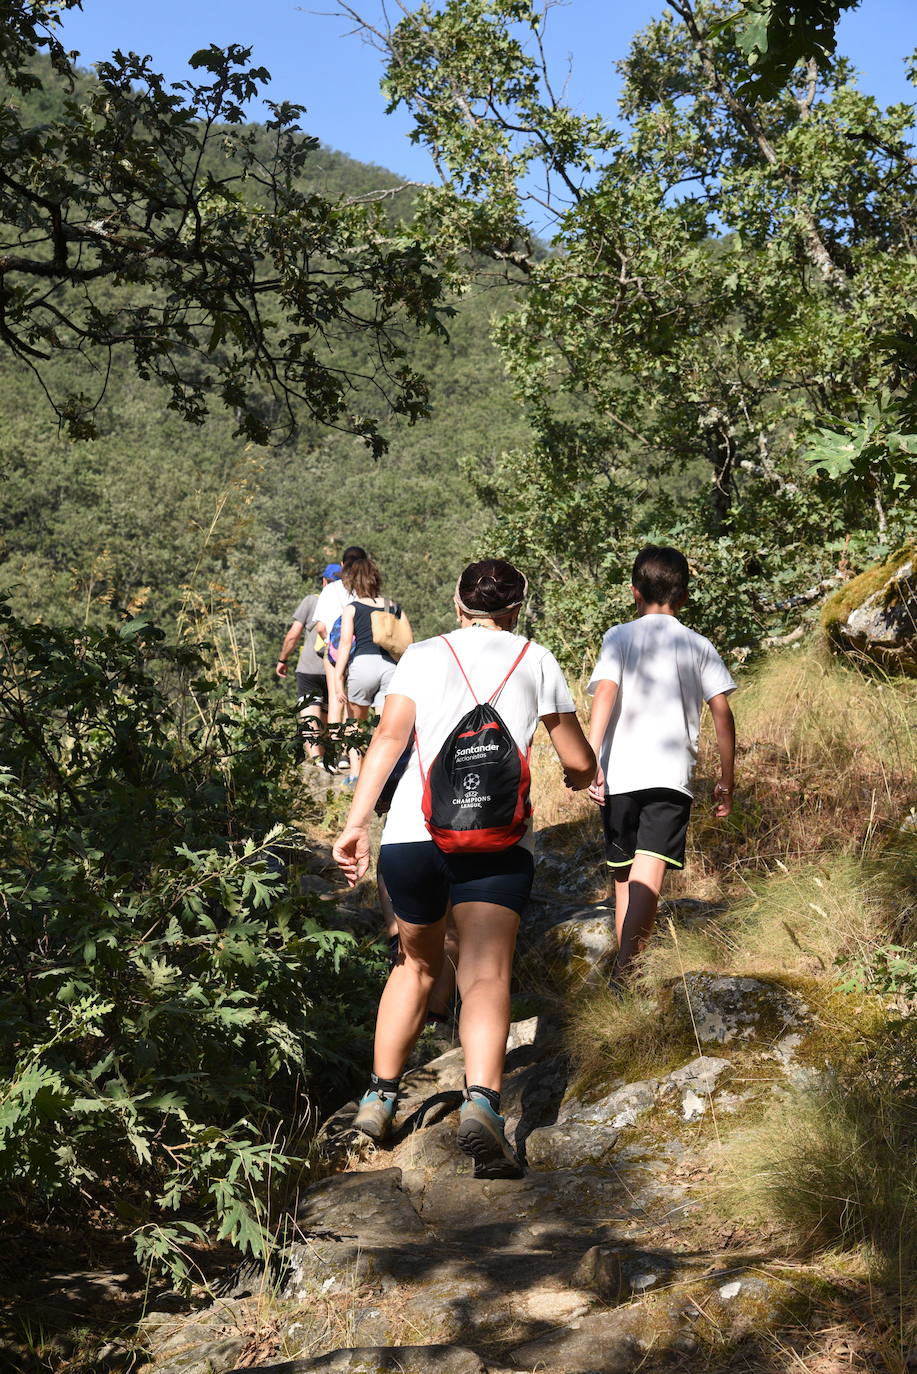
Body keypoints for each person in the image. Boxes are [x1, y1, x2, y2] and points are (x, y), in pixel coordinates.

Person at [333, 559, 595, 1179]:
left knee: (416, 963)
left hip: (412, 838)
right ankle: (483, 1106)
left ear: (458, 604)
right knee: (484, 975)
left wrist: (354, 825)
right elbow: (576, 759)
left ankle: (379, 1096)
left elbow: (389, 741)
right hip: (498, 843)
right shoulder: (537, 659)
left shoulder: (422, 656)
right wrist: (585, 776)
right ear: (517, 609)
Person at [586, 545, 737, 981]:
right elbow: (722, 712)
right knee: (648, 871)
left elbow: (606, 694)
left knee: (623, 877)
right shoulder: (699, 645)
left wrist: (591, 760)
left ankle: (624, 971)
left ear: (635, 592)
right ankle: (627, 972)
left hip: (619, 775)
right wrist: (726, 779)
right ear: (684, 596)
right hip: (670, 777)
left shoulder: (618, 636)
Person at [333, 555, 413, 781]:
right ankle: (382, 775)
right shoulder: (393, 606)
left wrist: (338, 677)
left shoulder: (353, 608)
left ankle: (357, 774)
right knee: (383, 727)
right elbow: (408, 640)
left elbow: (345, 644)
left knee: (355, 724)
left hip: (363, 665)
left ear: (352, 582)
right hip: (391, 667)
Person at [275, 565, 341, 762]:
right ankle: (334, 757)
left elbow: (293, 635)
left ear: (323, 581)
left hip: (309, 669)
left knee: (310, 713)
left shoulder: (312, 601)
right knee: (332, 715)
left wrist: (283, 659)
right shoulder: (348, 604)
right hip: (337, 668)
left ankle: (316, 759)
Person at [313, 545, 367, 741]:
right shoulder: (365, 590)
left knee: (336, 697)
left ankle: (335, 750)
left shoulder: (330, 590)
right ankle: (350, 747)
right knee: (354, 701)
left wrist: (330, 640)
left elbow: (319, 626)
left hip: (334, 651)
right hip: (361, 650)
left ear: (342, 564)